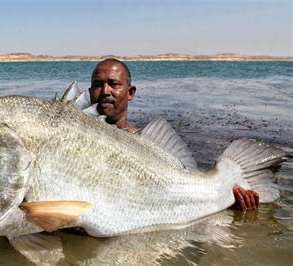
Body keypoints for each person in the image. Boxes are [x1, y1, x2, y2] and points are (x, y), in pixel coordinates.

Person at [88, 58, 259, 211]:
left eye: (114, 84)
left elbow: (187, 189)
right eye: (97, 85)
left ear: (130, 92)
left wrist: (229, 199)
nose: (105, 91)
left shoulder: (151, 143)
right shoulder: (77, 139)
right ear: (89, 92)